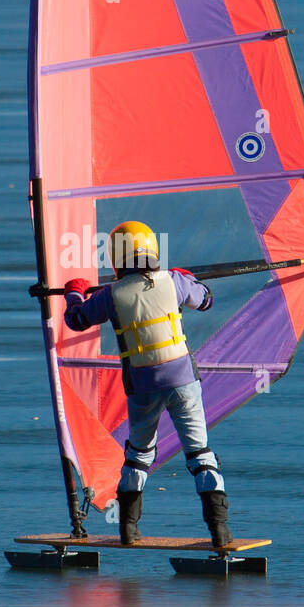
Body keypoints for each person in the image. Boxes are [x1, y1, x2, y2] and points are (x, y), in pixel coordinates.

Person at [63, 220, 232, 549]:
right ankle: (220, 532)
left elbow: (76, 319)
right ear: (152, 249)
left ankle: (128, 529)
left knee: (139, 454)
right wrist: (188, 280)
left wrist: (74, 292)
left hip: (142, 385)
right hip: (183, 380)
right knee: (200, 453)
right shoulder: (173, 281)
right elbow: (207, 300)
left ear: (116, 257)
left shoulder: (110, 295)